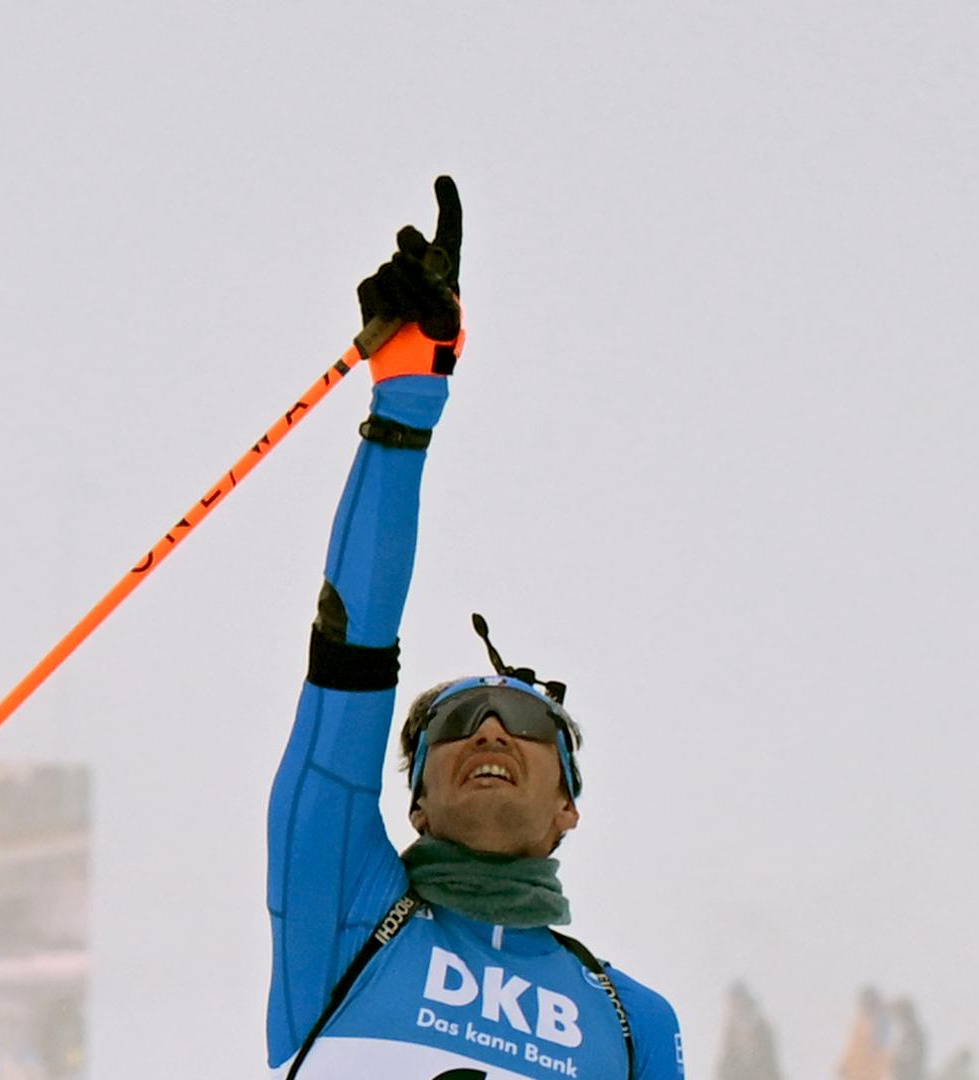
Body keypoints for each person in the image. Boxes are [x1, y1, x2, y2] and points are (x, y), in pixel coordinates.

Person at [265, 176, 684, 1079]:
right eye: (452, 725)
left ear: (568, 805)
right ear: (414, 801)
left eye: (525, 724)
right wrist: (406, 401)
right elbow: (350, 657)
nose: (490, 727)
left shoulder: (631, 1020)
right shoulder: (339, 908)